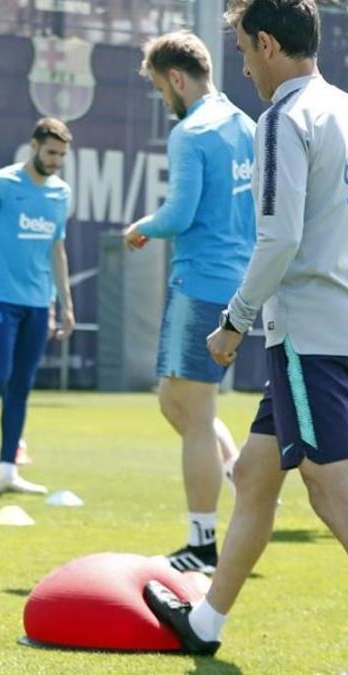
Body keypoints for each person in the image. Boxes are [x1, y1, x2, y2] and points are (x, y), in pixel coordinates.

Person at [146, 0, 348, 655]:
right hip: (331, 330)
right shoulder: (342, 107)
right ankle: (205, 624)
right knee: (256, 476)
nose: (239, 64)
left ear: (266, 44)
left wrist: (234, 322)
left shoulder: (282, 117)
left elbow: (280, 236)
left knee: (327, 488)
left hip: (310, 339)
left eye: (239, 49)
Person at [123, 30, 256, 575]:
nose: (162, 100)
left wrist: (141, 227)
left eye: (160, 90)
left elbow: (178, 216)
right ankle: (240, 480)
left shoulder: (191, 131)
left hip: (201, 283)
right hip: (239, 285)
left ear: (177, 78)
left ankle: (203, 544)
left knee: (193, 412)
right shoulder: (246, 126)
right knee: (175, 402)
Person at [0, 118, 75, 494]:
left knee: (22, 386)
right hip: (0, 299)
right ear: (34, 146)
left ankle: (8, 469)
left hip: (39, 303)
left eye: (61, 155)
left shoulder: (61, 193)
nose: (56, 160)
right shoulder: (2, 184)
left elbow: (57, 249)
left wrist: (65, 303)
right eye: (51, 152)